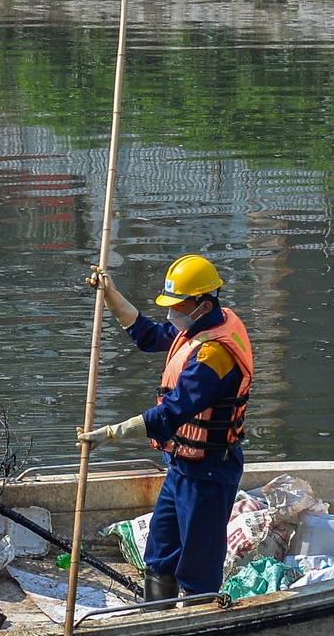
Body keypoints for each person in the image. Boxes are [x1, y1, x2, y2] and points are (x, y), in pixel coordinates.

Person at [78, 254, 253, 602]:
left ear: (203, 305)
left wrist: (110, 434)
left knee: (199, 566)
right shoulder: (198, 326)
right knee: (160, 552)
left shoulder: (214, 356)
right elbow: (149, 336)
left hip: (209, 473)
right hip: (182, 466)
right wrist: (111, 295)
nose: (172, 313)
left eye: (178, 305)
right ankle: (155, 614)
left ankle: (197, 621)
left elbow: (170, 414)